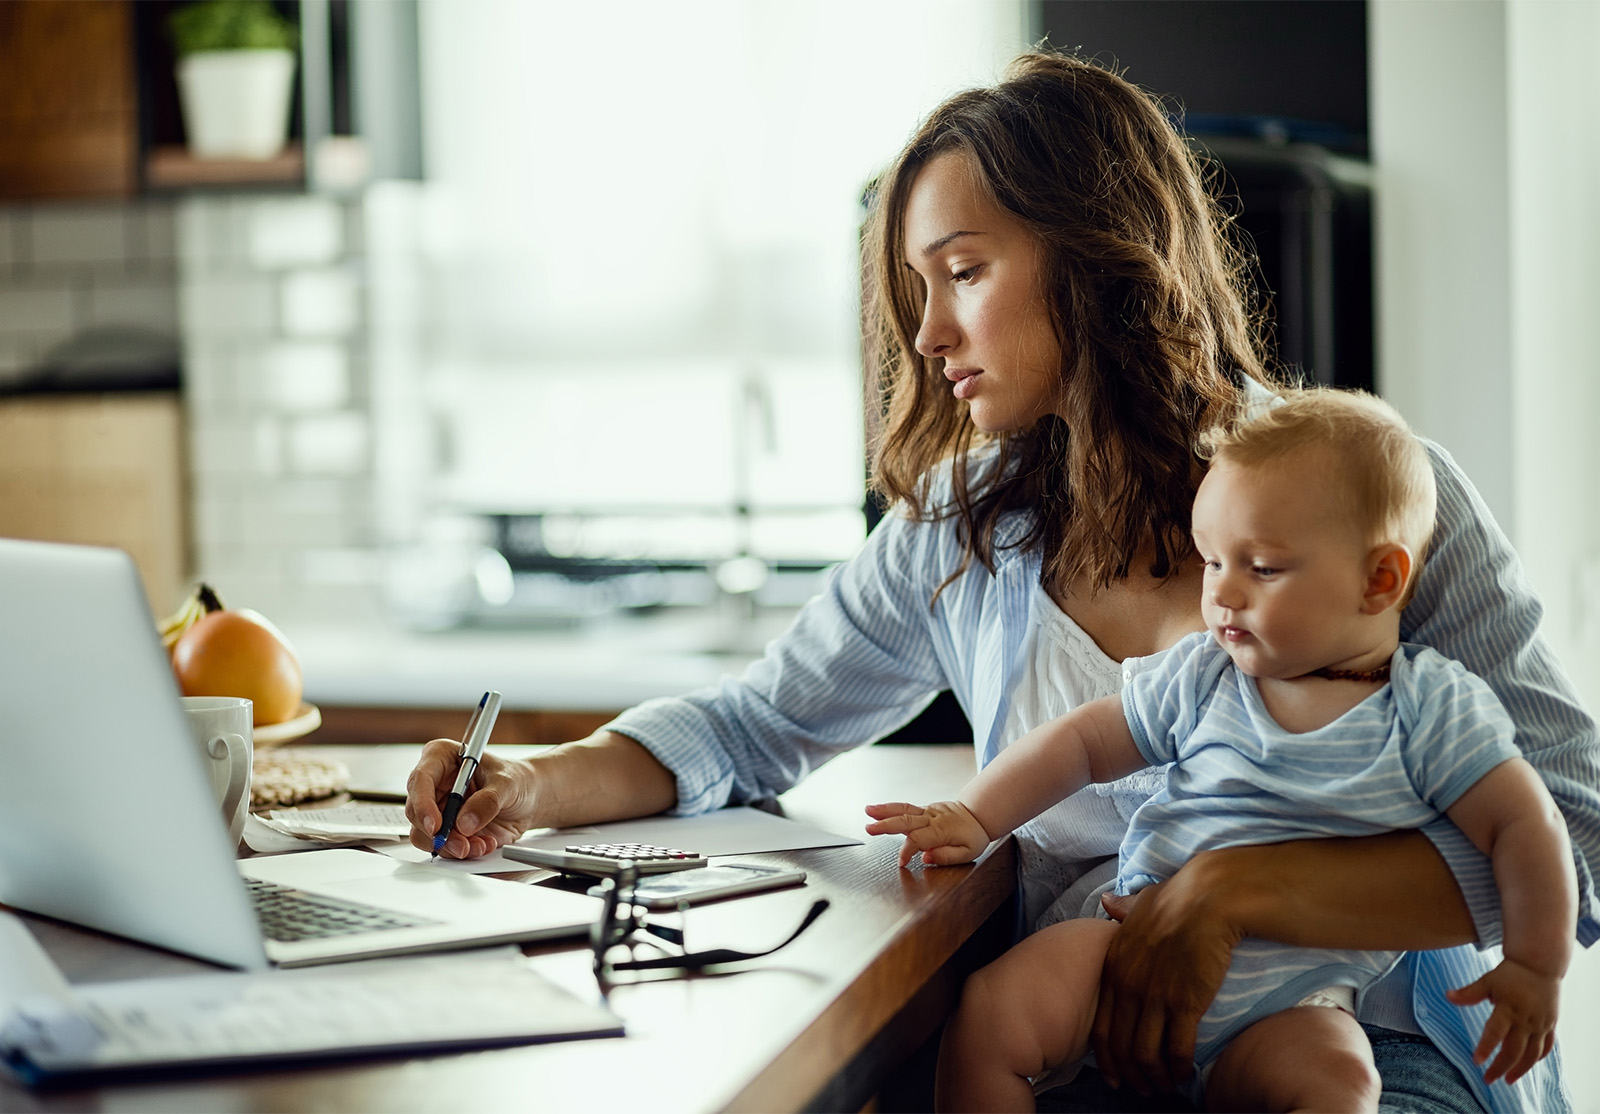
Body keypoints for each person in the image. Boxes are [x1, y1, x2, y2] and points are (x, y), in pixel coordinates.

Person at [405, 50, 1600, 1113]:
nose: (926, 336)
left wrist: (1234, 892)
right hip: (1092, 1049)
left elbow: (1577, 835)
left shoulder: (1376, 503)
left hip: (1375, 1041)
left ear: (1095, 257)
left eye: (962, 271)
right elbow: (751, 726)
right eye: (916, 289)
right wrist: (531, 781)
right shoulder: (957, 528)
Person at [865, 388, 1577, 1113]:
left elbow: (1531, 827)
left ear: (1379, 580)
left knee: (1344, 1088)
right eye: (1212, 564)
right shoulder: (1207, 674)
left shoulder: (1430, 710)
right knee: (992, 1011)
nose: (1223, 596)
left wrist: (1535, 966)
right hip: (1131, 947)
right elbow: (1083, 744)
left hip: (1297, 1005)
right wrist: (975, 815)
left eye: (1261, 568)